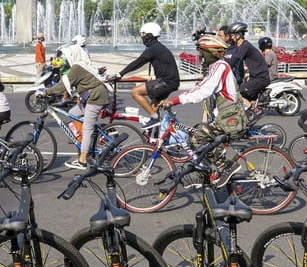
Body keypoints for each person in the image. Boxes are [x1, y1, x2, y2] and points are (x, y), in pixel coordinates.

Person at [158, 35, 245, 187]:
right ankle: (208, 174)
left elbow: (203, 91)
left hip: (230, 118)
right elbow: (200, 87)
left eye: (202, 52)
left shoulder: (220, 67)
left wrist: (175, 101)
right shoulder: (217, 66)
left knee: (197, 138)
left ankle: (226, 167)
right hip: (225, 116)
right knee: (198, 136)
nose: (200, 56)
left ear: (211, 52)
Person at [112, 22, 180, 129]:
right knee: (153, 108)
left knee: (135, 92)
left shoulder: (154, 48)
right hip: (170, 82)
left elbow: (138, 62)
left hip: (166, 82)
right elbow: (141, 66)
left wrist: (120, 73)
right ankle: (155, 137)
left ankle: (155, 118)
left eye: (143, 34)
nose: (142, 37)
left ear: (150, 34)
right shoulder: (158, 47)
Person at [44, 63, 108, 170]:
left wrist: (46, 92)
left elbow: (62, 86)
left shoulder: (76, 67)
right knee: (73, 113)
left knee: (87, 128)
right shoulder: (78, 67)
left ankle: (82, 160)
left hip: (96, 97)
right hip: (90, 96)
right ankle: (83, 141)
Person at [222, 22, 270, 106]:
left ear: (238, 35)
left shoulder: (245, 46)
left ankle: (253, 110)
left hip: (260, 78)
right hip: (256, 77)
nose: (231, 37)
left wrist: (222, 67)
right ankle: (252, 109)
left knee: (239, 92)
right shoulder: (243, 46)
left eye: (232, 35)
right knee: (247, 95)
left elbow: (234, 60)